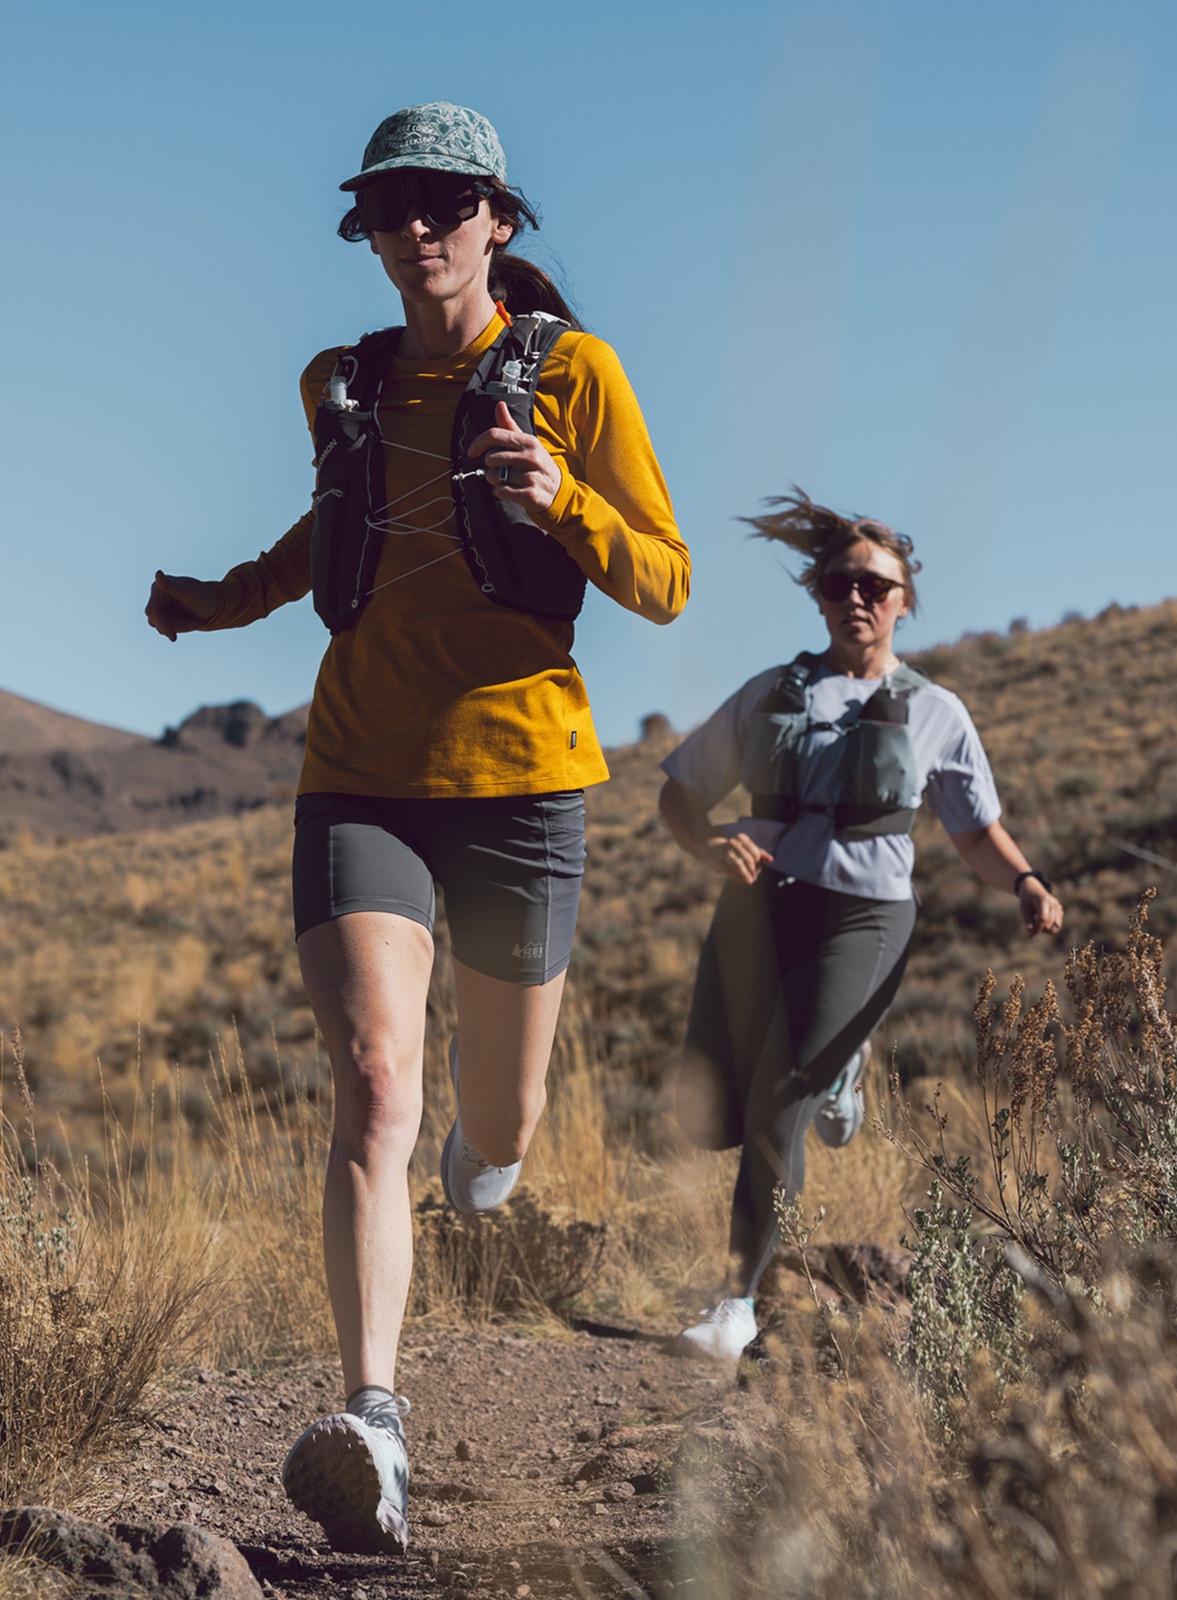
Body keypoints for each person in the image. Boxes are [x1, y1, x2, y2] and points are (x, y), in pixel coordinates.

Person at [146, 102, 688, 1553]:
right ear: (367, 231)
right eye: (389, 208)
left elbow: (666, 580)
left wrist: (561, 496)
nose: (416, 230)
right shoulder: (345, 380)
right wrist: (214, 601)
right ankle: (372, 1422)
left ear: (499, 219)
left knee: (493, 1124)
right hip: (361, 771)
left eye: (443, 203)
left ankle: (484, 1166)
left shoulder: (576, 373)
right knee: (376, 1082)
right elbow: (331, 537)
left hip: (522, 780)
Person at [658, 489, 1061, 1361]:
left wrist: (1025, 881)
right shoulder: (774, 691)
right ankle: (844, 1077)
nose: (858, 598)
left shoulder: (936, 712)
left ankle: (738, 1305)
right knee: (714, 1110)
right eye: (841, 582)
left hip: (866, 919)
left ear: (905, 600)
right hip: (758, 909)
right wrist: (707, 844)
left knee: (777, 1098)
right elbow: (680, 793)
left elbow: (974, 832)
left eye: (877, 586)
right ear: (818, 592)